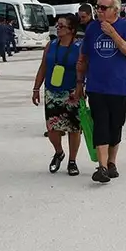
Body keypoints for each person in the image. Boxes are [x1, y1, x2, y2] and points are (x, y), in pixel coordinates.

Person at [73, 0, 126, 183]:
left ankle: (111, 162)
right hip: (96, 86)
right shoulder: (92, 28)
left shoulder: (125, 26)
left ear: (115, 10)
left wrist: (112, 33)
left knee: (115, 125)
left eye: (103, 7)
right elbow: (83, 57)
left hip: (118, 86)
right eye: (97, 7)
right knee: (100, 124)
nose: (98, 11)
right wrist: (79, 83)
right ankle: (101, 167)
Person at [33, 14, 85, 175]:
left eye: (61, 26)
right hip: (52, 91)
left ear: (71, 29)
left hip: (71, 92)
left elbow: (83, 69)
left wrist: (80, 86)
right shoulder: (51, 45)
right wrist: (36, 88)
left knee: (73, 128)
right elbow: (43, 67)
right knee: (52, 129)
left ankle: (72, 160)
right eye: (57, 25)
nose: (58, 27)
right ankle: (59, 152)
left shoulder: (79, 46)